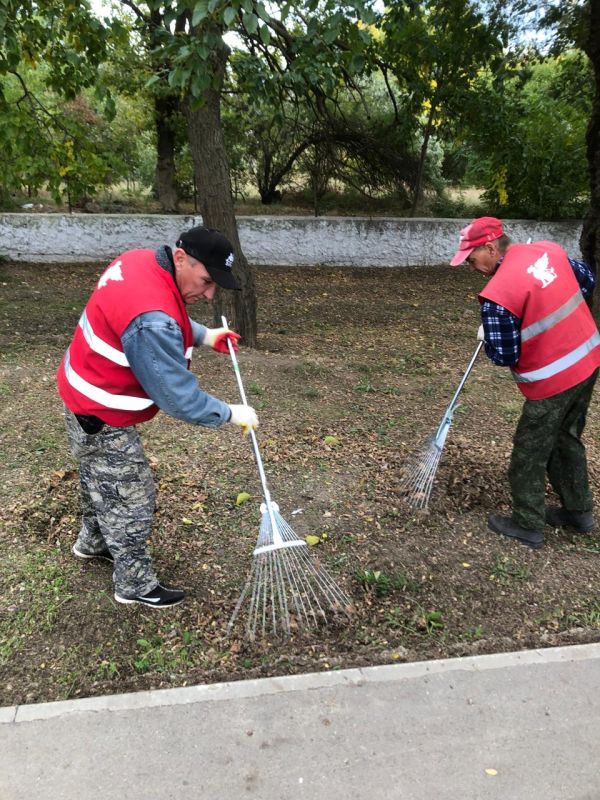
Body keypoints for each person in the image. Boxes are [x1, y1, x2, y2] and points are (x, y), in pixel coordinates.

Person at [56, 225, 259, 607]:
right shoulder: (153, 318)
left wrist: (204, 335)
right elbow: (176, 397)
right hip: (102, 413)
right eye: (206, 281)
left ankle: (93, 542)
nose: (210, 292)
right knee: (132, 498)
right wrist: (230, 413)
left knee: (96, 478)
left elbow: (164, 315)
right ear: (181, 258)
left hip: (80, 392)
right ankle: (133, 585)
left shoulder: (141, 262)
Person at [450, 216, 600, 549]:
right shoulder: (548, 251)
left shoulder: (497, 295)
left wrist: (489, 335)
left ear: (490, 247)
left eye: (471, 260)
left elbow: (504, 355)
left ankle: (528, 523)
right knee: (566, 437)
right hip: (589, 358)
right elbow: (587, 280)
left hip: (554, 379)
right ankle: (579, 512)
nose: (471, 268)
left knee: (529, 451)